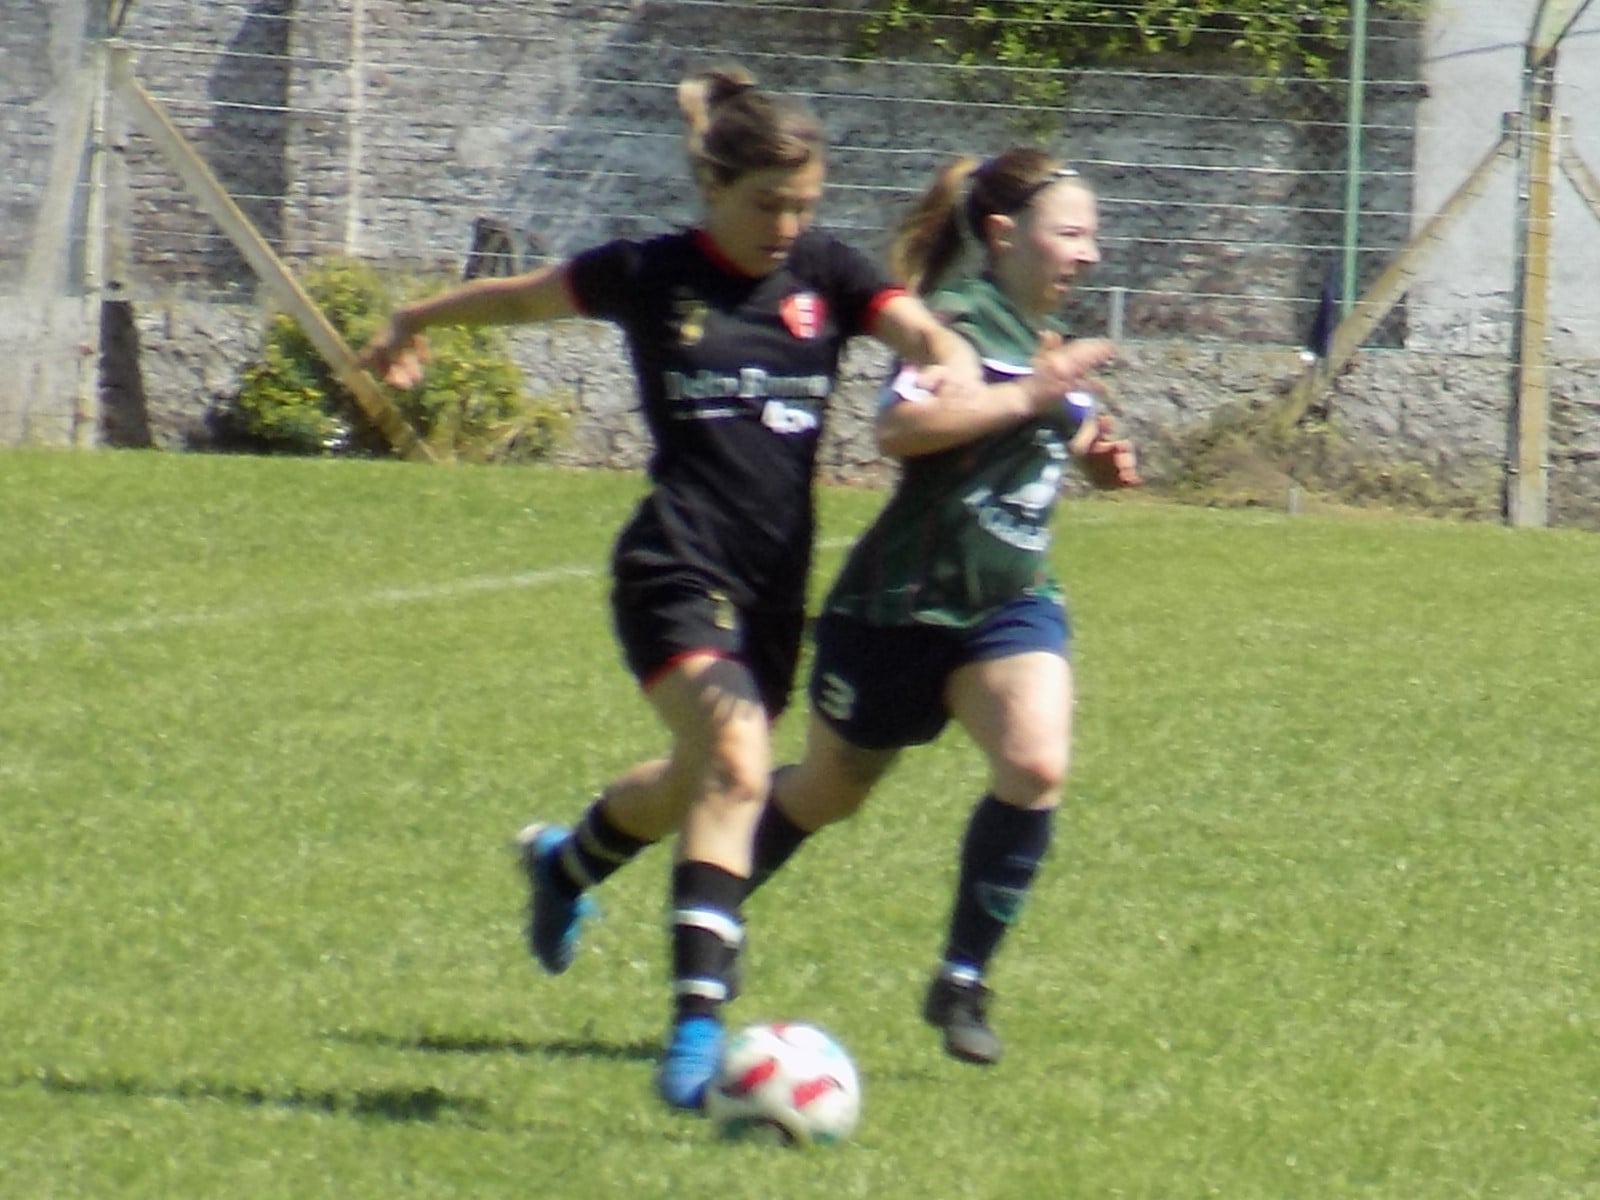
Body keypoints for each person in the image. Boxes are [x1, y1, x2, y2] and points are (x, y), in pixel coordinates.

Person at [359, 70, 1089, 1111]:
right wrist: (413, 317)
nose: (788, 228)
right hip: (673, 564)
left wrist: (944, 361)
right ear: (712, 188)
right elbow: (520, 296)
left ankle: (568, 865)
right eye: (766, 206)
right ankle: (698, 1029)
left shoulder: (827, 275)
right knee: (741, 762)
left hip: (772, 590)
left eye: (803, 206)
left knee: (701, 778)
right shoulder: (650, 273)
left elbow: (918, 330)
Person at [741, 146, 1141, 1068]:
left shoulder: (1043, 340)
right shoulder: (959, 324)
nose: (1090, 254)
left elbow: (1057, 423)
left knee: (1036, 765)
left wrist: (1094, 455)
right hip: (898, 611)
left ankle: (963, 978)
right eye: (1072, 234)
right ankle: (710, 898)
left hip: (1008, 604)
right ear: (1004, 234)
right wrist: (1032, 397)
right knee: (828, 792)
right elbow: (900, 427)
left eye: (1094, 236)